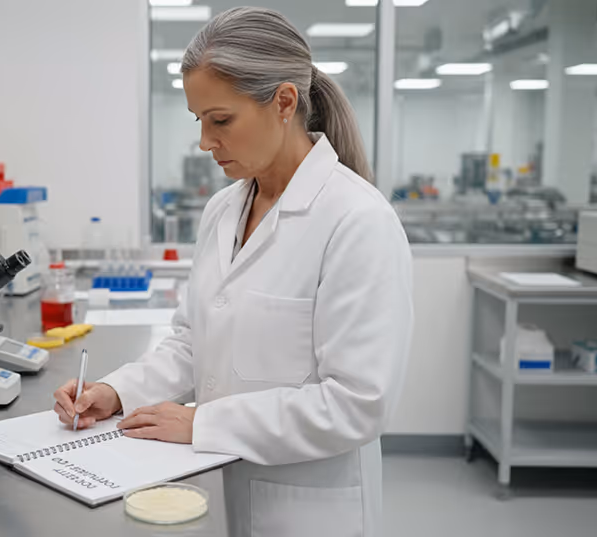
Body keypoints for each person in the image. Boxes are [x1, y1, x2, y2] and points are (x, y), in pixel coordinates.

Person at [54, 7, 412, 537]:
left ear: (284, 102)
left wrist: (203, 422)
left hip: (311, 509)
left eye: (220, 120)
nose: (204, 141)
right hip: (220, 484)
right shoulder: (223, 210)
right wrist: (116, 390)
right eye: (198, 120)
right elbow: (191, 342)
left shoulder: (358, 221)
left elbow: (356, 405)